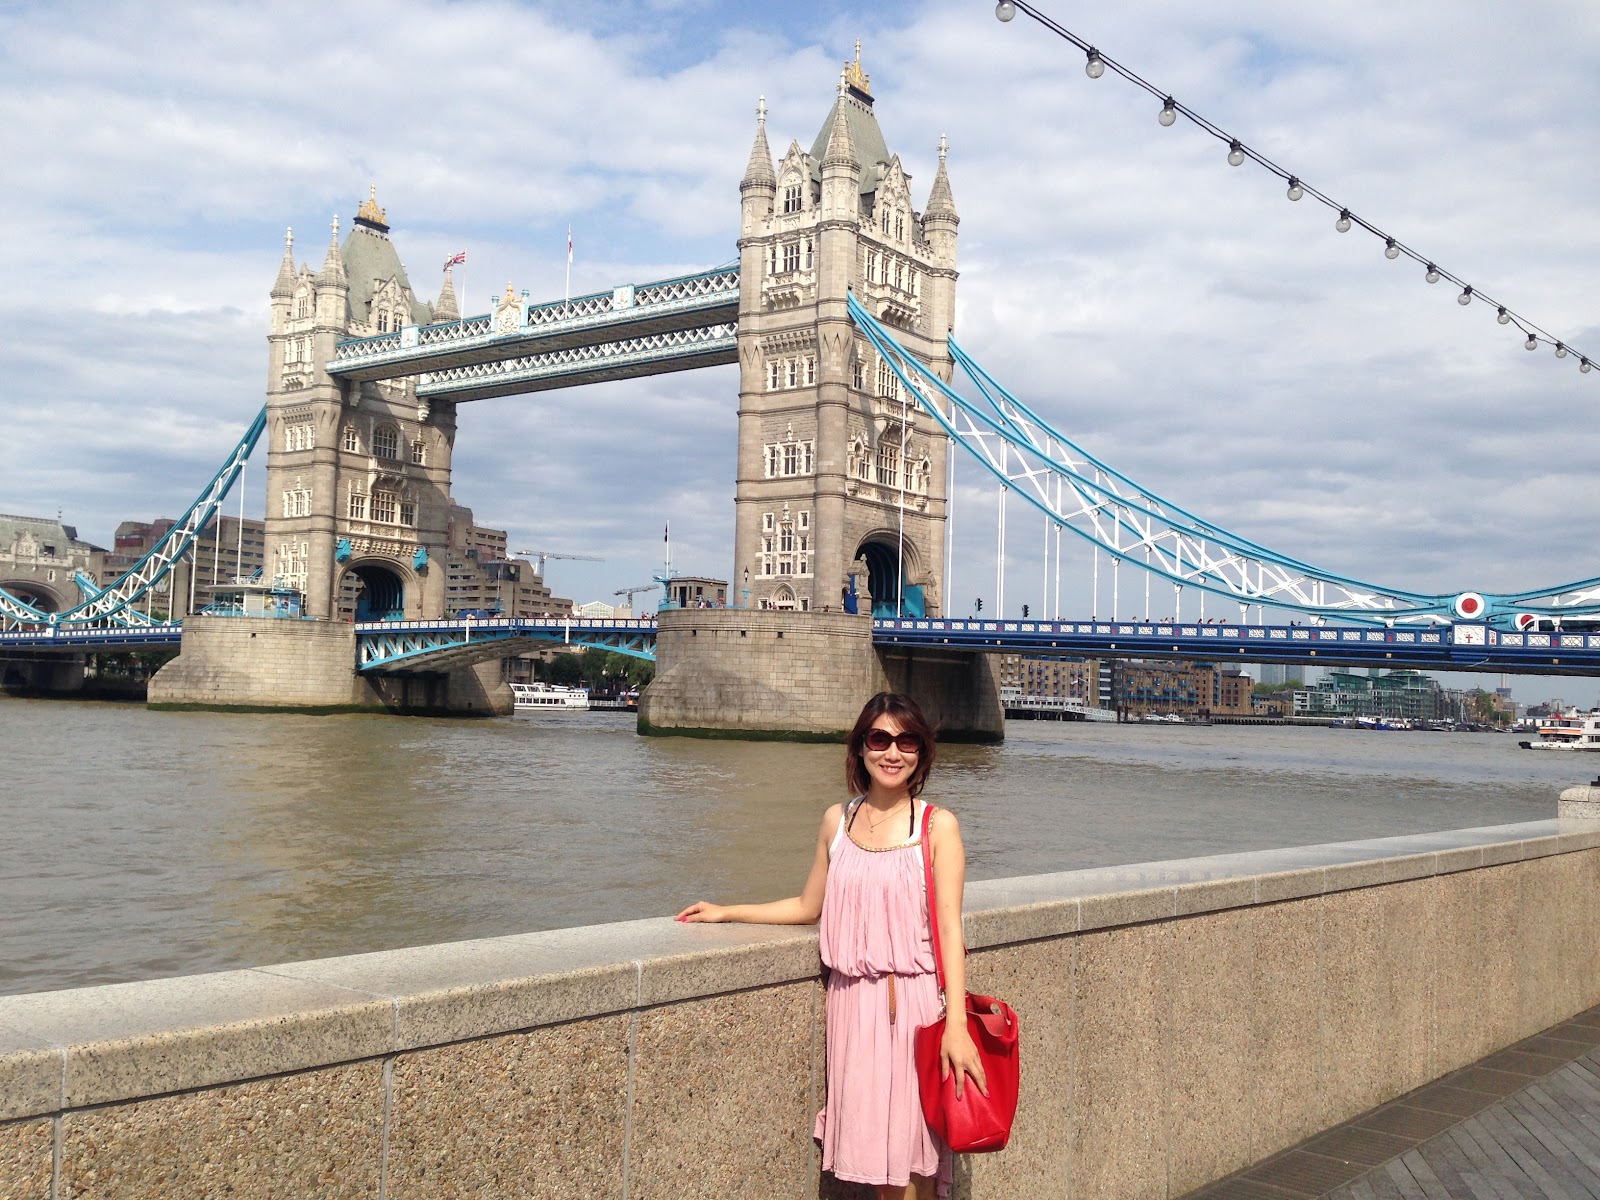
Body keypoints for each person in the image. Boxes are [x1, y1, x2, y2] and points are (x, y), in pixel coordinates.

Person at [676, 693, 982, 1199]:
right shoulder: (836, 821)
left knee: (912, 1165)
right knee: (875, 1165)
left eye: (907, 741)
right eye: (879, 739)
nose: (892, 753)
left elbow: (951, 930)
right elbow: (807, 905)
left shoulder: (937, 826)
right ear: (860, 747)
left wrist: (956, 1028)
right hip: (851, 1007)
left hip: (914, 1011)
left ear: (922, 752)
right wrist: (729, 911)